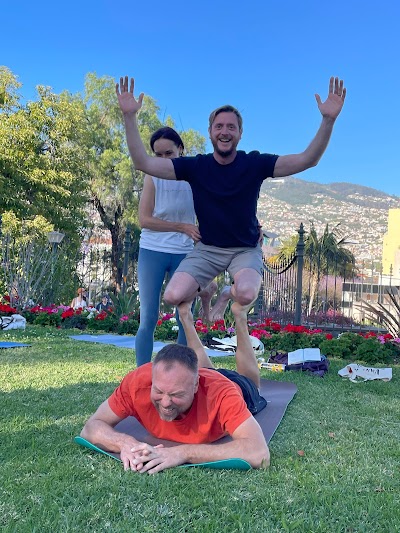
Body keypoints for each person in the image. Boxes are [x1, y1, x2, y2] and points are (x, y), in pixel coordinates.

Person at [115, 75, 346, 367]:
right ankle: (187, 352)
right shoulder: (195, 167)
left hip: (243, 250)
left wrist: (327, 121)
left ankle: (226, 294)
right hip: (208, 249)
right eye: (219, 126)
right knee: (173, 295)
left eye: (231, 127)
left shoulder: (254, 163)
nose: (225, 131)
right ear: (210, 132)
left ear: (239, 134)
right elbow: (143, 162)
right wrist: (128, 116)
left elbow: (307, 159)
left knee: (246, 292)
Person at [80, 300, 269, 474]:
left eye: (176, 394)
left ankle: (240, 317)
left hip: (237, 386)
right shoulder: (137, 383)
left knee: (252, 383)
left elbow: (259, 453)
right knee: (201, 369)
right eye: (159, 391)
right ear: (152, 379)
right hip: (200, 375)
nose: (165, 402)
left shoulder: (222, 395)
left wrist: (182, 453)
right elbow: (90, 428)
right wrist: (124, 443)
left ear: (195, 386)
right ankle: (185, 318)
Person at [135, 126, 217, 366]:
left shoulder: (194, 176)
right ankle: (141, 375)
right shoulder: (152, 177)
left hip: (184, 253)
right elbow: (144, 220)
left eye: (168, 154)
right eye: (157, 155)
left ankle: (181, 373)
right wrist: (181, 227)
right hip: (152, 250)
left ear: (180, 150)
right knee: (148, 318)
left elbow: (213, 210)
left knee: (184, 317)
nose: (162, 160)